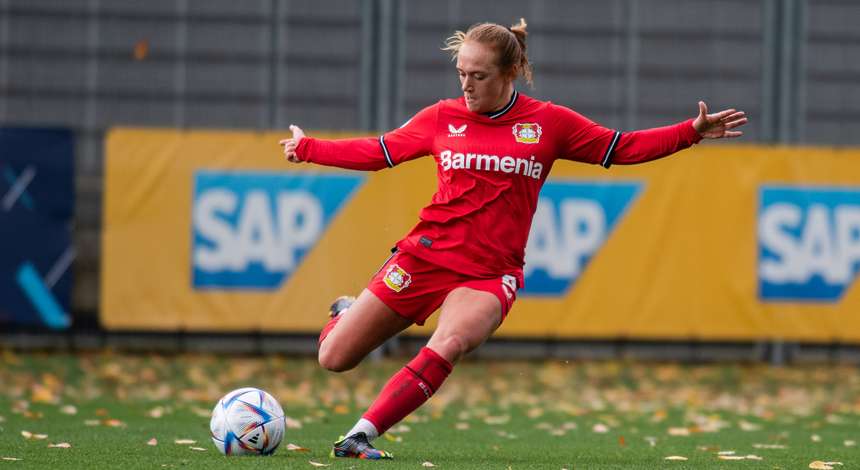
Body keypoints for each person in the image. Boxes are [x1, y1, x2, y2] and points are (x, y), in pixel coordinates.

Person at [279, 18, 747, 460]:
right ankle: (345, 314)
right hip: (424, 256)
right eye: (461, 73)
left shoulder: (549, 123)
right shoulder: (441, 117)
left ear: (510, 73)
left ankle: (361, 435)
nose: (466, 86)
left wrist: (691, 132)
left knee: (451, 340)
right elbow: (378, 152)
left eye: (478, 76)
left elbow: (620, 147)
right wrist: (308, 148)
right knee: (334, 359)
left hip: (489, 272)